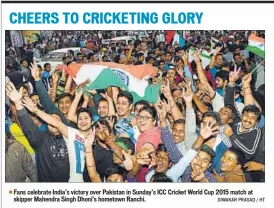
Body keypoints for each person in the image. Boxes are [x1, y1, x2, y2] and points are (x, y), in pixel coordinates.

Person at [6, 82, 70, 182]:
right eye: (51, 120)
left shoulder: (72, 137)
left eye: (57, 120)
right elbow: (28, 126)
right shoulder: (41, 139)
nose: (54, 122)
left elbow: (50, 105)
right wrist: (18, 104)